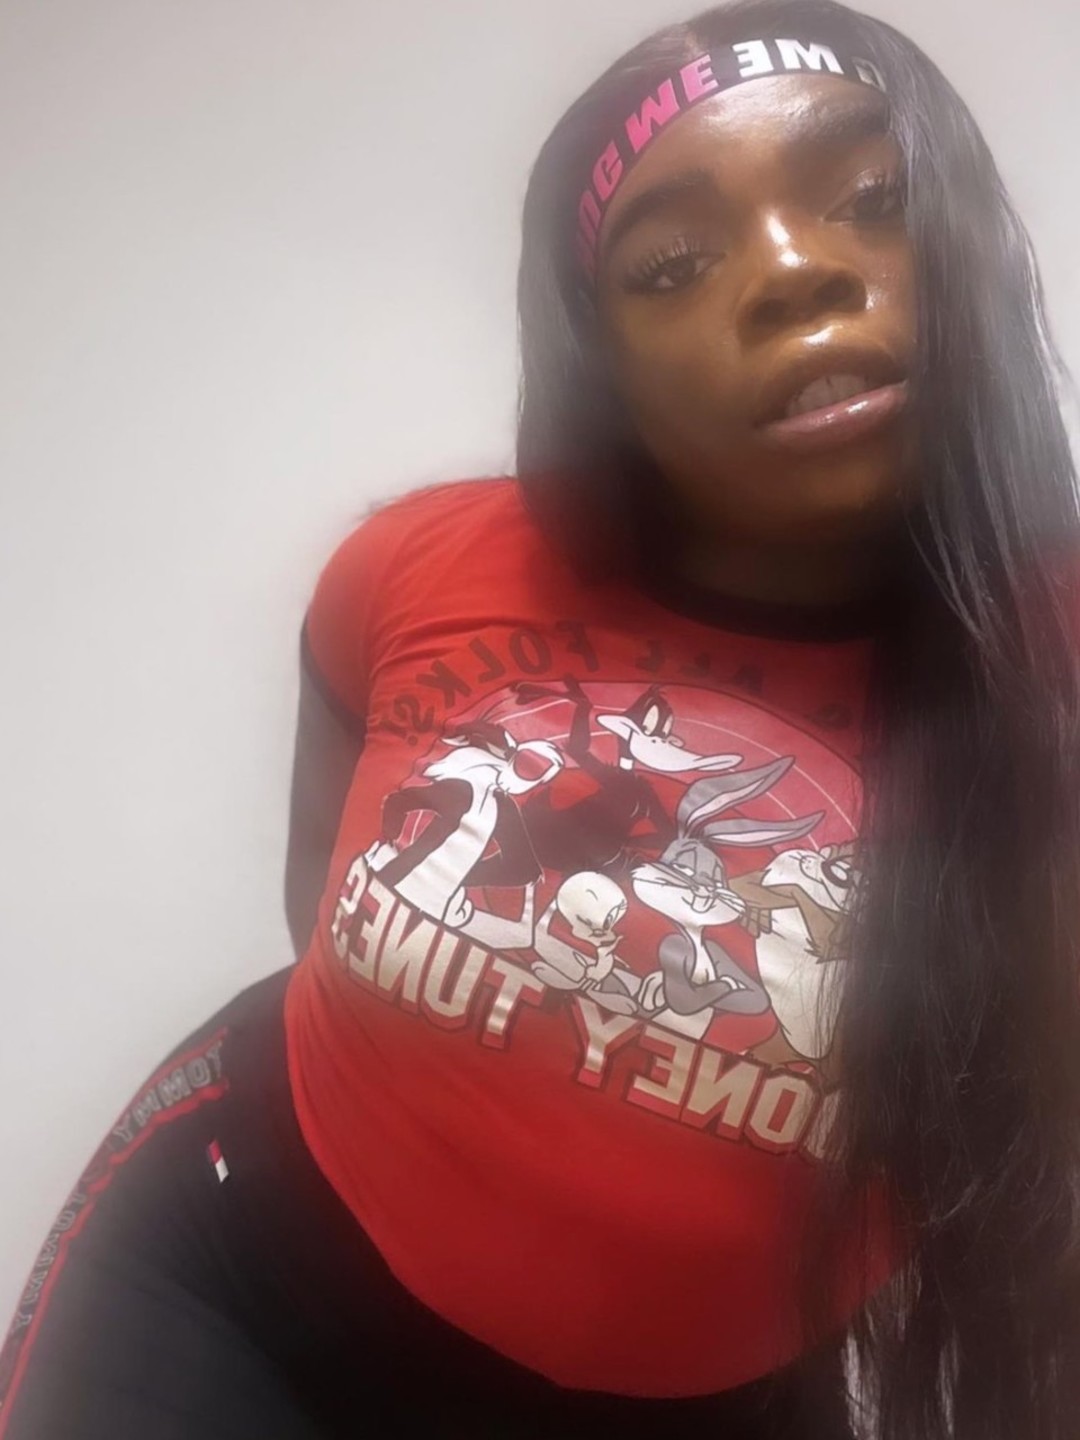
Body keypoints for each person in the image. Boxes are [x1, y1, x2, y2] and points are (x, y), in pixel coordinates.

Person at [3, 1, 1079, 1435]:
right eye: (671, 265)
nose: (793, 271)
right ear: (600, 360)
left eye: (872, 196)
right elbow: (322, 902)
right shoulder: (414, 567)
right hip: (230, 1268)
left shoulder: (1055, 676)